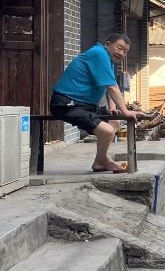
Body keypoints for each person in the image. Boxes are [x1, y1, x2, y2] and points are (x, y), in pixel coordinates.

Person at [49, 33, 143, 173]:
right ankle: (102, 160)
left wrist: (113, 108)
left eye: (125, 51)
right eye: (119, 48)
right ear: (107, 44)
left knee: (115, 122)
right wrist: (126, 111)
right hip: (67, 104)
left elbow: (109, 84)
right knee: (107, 131)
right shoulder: (99, 54)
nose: (121, 53)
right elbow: (111, 87)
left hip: (85, 106)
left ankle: (100, 161)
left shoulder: (107, 59)